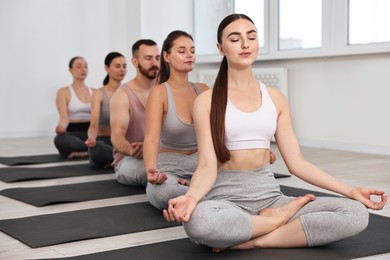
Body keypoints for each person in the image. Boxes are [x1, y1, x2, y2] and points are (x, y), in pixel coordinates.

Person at [163, 14, 387, 251]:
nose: (245, 44)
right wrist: (193, 198)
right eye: (235, 38)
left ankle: (254, 240)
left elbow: (297, 163)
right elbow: (207, 165)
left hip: (272, 198)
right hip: (225, 202)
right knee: (200, 223)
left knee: (355, 213)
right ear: (221, 48)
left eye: (251, 36)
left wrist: (350, 191)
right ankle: (275, 222)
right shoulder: (206, 101)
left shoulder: (276, 98)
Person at [143, 30, 209, 210]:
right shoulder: (159, 92)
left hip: (202, 167)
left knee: (236, 179)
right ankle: (200, 195)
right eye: (182, 51)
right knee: (163, 193)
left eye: (192, 51)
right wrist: (151, 171)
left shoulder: (203, 90)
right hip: (170, 169)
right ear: (167, 56)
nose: (189, 55)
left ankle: (193, 194)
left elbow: (220, 133)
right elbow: (151, 138)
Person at [110, 39, 160, 185]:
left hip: (161, 155)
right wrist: (130, 149)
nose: (154, 63)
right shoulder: (122, 95)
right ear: (135, 62)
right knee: (152, 170)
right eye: (148, 58)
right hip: (131, 159)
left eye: (157, 58)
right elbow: (117, 135)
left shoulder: (164, 90)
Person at [85, 52, 127, 168]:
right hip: (105, 142)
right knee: (97, 148)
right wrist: (92, 139)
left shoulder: (129, 91)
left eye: (124, 66)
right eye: (117, 66)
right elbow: (93, 125)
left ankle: (119, 160)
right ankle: (122, 160)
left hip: (124, 143)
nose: (122, 70)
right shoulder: (98, 94)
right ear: (107, 68)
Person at [54, 56, 94, 158]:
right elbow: (64, 117)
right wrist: (61, 127)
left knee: (108, 138)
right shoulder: (63, 92)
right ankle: (92, 150)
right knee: (59, 140)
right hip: (72, 134)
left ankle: (86, 151)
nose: (83, 69)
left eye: (86, 66)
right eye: (79, 66)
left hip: (91, 133)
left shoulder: (95, 92)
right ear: (70, 70)